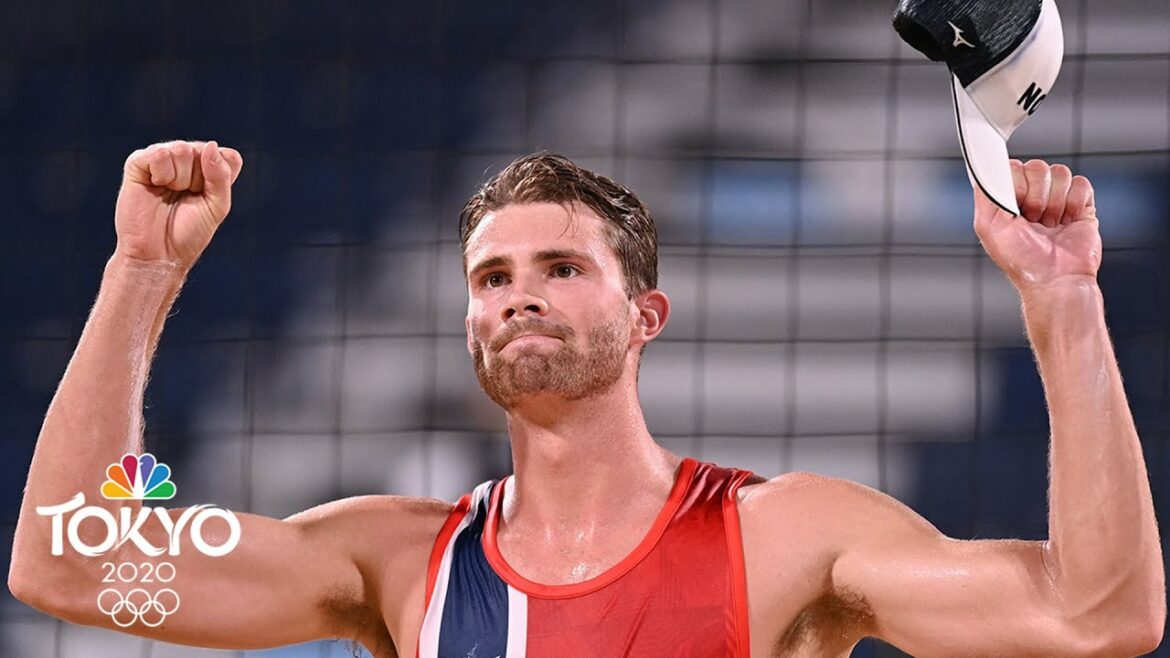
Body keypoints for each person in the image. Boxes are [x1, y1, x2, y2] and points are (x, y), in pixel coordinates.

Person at [8, 141, 1165, 657]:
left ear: (645, 314)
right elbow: (71, 563)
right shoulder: (396, 562)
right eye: (491, 278)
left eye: (562, 267)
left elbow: (1097, 619)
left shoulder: (785, 536)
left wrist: (1064, 303)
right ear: (470, 324)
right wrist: (142, 271)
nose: (519, 294)